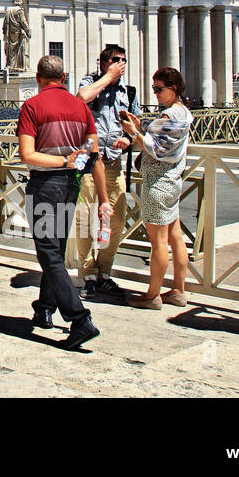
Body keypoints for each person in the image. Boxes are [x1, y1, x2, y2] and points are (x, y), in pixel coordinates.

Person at [16, 55, 105, 351]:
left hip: (46, 185)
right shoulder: (81, 106)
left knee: (48, 252)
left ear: (39, 78)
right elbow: (93, 154)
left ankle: (79, 318)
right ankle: (44, 308)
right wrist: (103, 198)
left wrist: (60, 160)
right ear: (64, 76)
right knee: (54, 246)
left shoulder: (32, 106)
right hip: (72, 186)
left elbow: (28, 156)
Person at [118, 67, 193, 309]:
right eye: (154, 89)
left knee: (158, 242)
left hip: (157, 184)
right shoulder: (184, 113)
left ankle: (153, 295)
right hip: (173, 182)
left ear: (173, 89)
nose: (156, 94)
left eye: (159, 89)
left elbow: (156, 149)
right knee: (176, 237)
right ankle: (179, 290)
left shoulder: (168, 117)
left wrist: (135, 133)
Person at [74, 44, 142, 299]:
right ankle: (87, 271)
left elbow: (136, 125)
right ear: (103, 62)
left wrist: (130, 138)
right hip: (88, 163)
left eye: (124, 60)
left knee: (116, 218)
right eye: (115, 60)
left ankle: (104, 271)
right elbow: (81, 98)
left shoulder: (130, 92)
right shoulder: (91, 82)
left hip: (113, 163)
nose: (120, 64)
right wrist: (108, 78)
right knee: (84, 218)